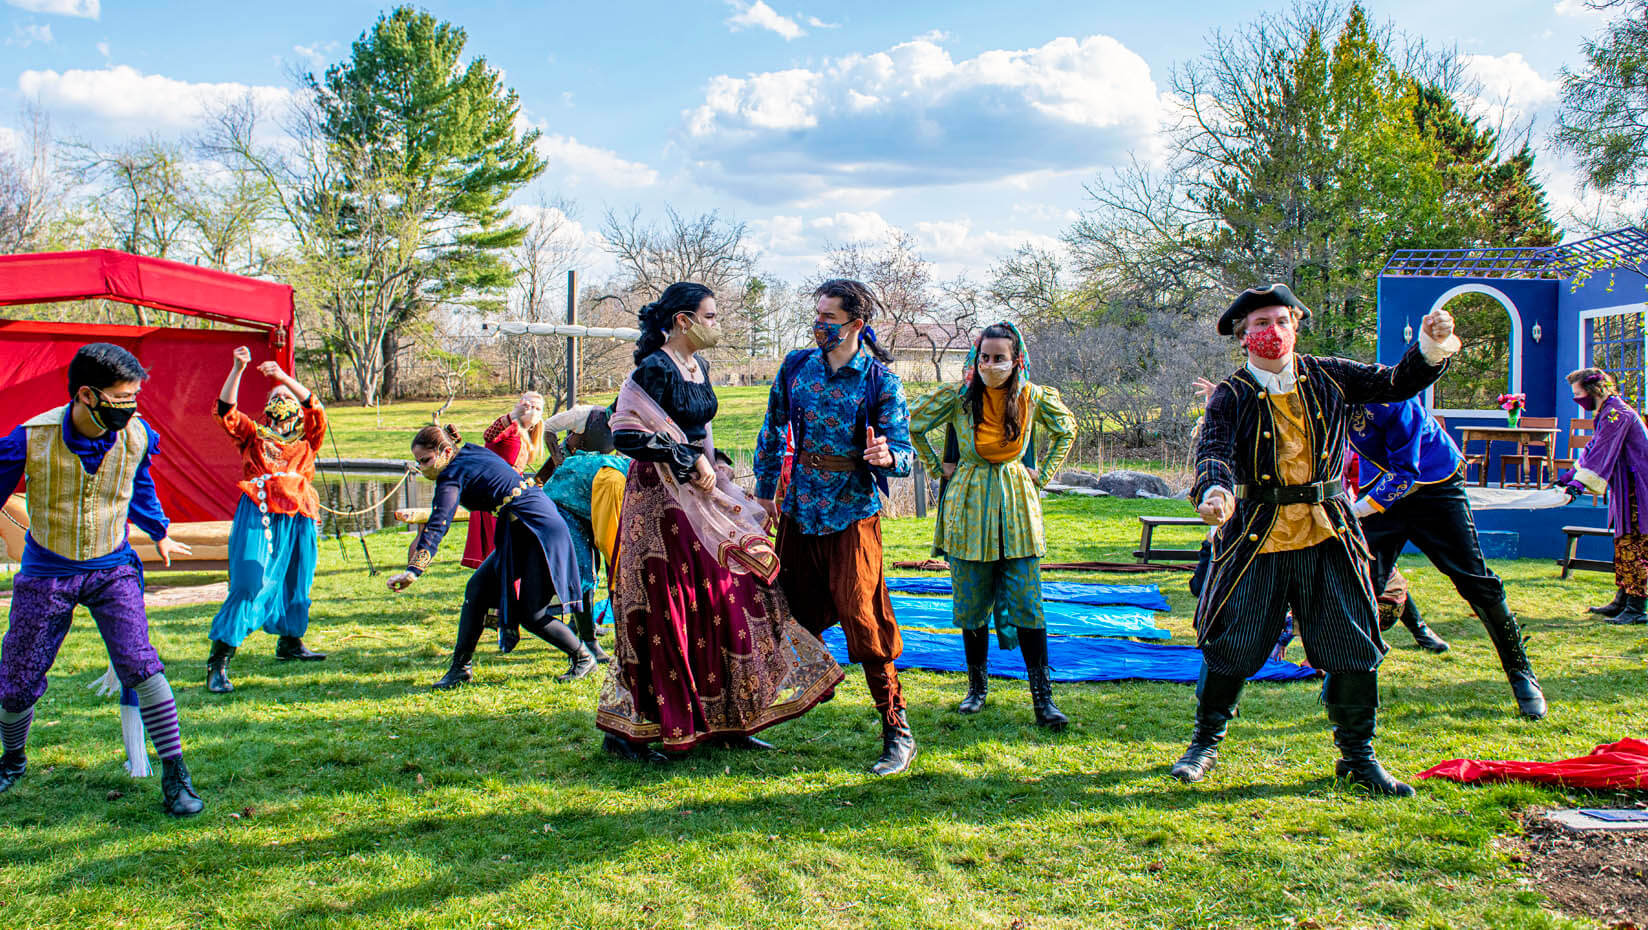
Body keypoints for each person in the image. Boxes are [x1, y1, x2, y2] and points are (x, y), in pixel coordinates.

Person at [1175, 283, 1460, 798]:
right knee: (1232, 645)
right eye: (1261, 324)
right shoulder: (1230, 395)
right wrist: (1214, 489)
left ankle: (1358, 758)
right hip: (1257, 537)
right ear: (1243, 337)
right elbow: (1213, 451)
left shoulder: (1330, 372)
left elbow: (1397, 381)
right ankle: (1203, 745)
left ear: (1296, 327)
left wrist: (1430, 347)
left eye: (1282, 321)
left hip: (1328, 533)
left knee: (1352, 643)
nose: (1273, 332)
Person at [597, 283, 843, 763]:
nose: (717, 324)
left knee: (724, 596)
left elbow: (699, 428)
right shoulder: (652, 370)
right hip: (660, 504)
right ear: (684, 321)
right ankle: (642, 729)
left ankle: (730, 718)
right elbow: (624, 432)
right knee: (665, 609)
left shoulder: (699, 366)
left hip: (701, 496)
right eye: (710, 317)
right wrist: (685, 459)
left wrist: (714, 465)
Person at [0, 343, 203, 816]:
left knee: (140, 663)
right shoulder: (27, 438)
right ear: (87, 395)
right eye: (122, 395)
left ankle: (176, 775)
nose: (131, 404)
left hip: (112, 567)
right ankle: (12, 759)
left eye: (134, 394)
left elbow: (141, 485)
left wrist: (160, 532)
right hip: (47, 570)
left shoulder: (137, 434)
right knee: (16, 679)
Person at [753, 278, 918, 776]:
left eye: (829, 318)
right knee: (784, 609)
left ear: (856, 325)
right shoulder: (795, 367)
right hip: (800, 509)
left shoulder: (880, 381)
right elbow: (771, 431)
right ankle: (748, 719)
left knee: (863, 615)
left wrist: (888, 455)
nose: (819, 325)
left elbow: (906, 454)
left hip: (853, 513)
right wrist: (764, 495)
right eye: (817, 316)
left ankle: (896, 729)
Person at [908, 322, 1077, 727]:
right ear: (975, 358)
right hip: (968, 505)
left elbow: (1067, 429)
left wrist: (1044, 472)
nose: (990, 364)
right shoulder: (959, 398)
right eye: (984, 357)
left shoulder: (1033, 397)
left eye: (999, 358)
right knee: (971, 601)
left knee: (1028, 603)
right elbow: (914, 424)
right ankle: (977, 688)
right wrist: (938, 467)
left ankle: (1043, 699)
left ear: (1016, 360)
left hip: (1016, 503)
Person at [1348, 396, 1546, 718]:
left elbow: (1405, 473)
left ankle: (1522, 674)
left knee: (1474, 579)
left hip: (1433, 484)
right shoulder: (1329, 399)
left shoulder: (1394, 397)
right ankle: (1349, 685)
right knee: (1359, 580)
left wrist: (1354, 511)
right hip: (1380, 484)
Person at [385, 424, 590, 688]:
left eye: (425, 461)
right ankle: (460, 669)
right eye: (417, 462)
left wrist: (414, 570)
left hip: (539, 531)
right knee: (478, 588)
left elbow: (439, 522)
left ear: (446, 451)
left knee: (532, 614)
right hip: (522, 530)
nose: (421, 468)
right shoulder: (467, 453)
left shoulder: (452, 473)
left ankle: (583, 657)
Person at [204, 347, 328, 694]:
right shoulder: (253, 433)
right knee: (249, 581)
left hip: (300, 513)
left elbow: (315, 407)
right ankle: (219, 660)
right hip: (260, 511)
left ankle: (290, 642)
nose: (282, 397)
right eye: (276, 395)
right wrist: (237, 369)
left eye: (287, 395)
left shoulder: (308, 437)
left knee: (297, 580)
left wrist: (284, 377)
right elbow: (226, 411)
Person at [536, 403, 628, 676]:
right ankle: (587, 641)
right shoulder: (587, 415)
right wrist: (559, 461)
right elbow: (548, 428)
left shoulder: (627, 437)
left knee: (597, 566)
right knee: (582, 569)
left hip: (591, 491)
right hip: (564, 497)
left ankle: (582, 624)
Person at [1558, 368, 1648, 624]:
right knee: (1623, 542)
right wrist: (1569, 477)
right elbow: (1592, 448)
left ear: (1593, 390)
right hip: (1626, 484)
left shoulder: (1617, 414)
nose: (1576, 399)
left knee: (1634, 543)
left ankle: (1637, 608)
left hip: (1639, 486)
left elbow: (1602, 450)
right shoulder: (1607, 412)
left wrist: (1579, 484)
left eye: (1578, 393)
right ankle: (1623, 599)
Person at [463, 392, 546, 569]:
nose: (533, 411)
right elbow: (489, 435)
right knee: (500, 548)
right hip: (494, 492)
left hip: (511, 492)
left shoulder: (527, 433)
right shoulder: (511, 426)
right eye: (530, 406)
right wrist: (511, 416)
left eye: (538, 408)